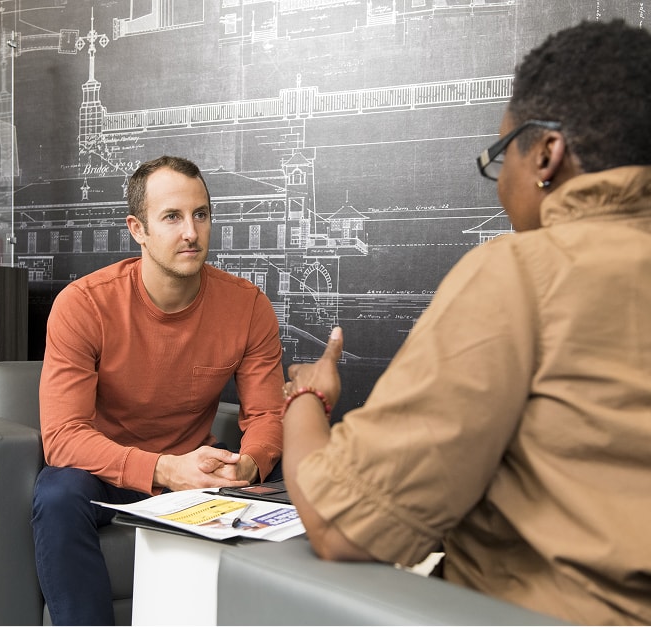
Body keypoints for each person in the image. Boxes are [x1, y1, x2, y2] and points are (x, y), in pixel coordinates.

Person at [281, 19, 651, 626]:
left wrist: (306, 396)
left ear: (546, 154)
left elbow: (341, 527)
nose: (499, 183)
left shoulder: (521, 273)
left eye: (500, 156)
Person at [32, 155, 285, 625]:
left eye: (201, 214)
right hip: (108, 471)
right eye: (172, 217)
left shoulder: (248, 306)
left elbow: (267, 416)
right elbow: (63, 437)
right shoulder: (84, 304)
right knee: (57, 493)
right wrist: (166, 469)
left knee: (296, 463)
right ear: (138, 229)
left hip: (198, 468)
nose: (191, 232)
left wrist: (248, 463)